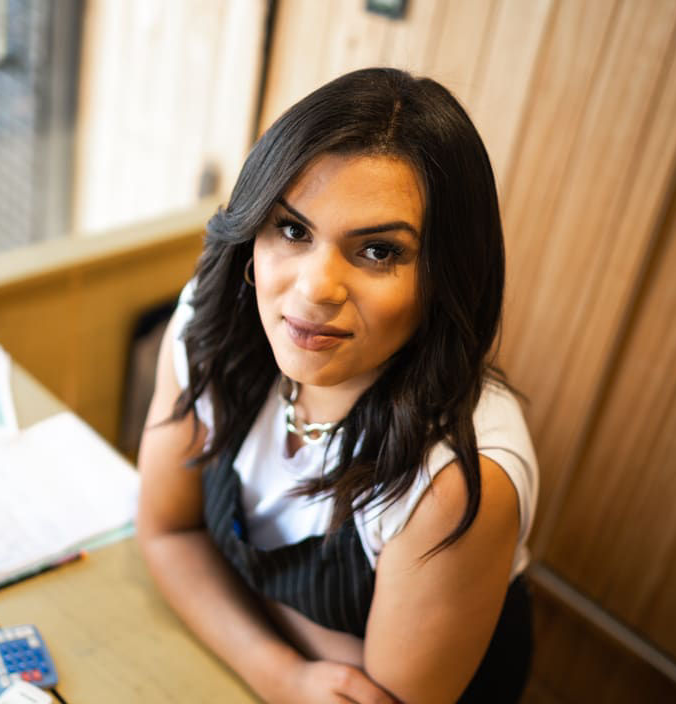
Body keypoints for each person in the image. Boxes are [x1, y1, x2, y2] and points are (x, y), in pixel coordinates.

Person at [136, 67, 539, 703]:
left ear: (446, 275)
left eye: (378, 251)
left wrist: (222, 580)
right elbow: (164, 531)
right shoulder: (212, 326)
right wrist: (286, 671)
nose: (315, 289)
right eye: (292, 230)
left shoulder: (458, 477)